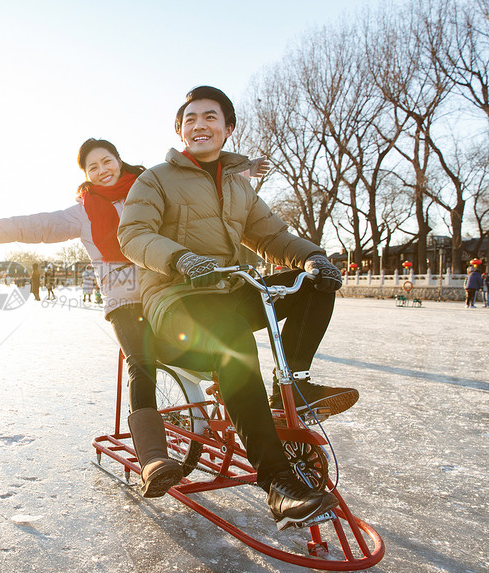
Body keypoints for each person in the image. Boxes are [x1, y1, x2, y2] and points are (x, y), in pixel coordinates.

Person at [0, 137, 268, 498]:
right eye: (93, 167)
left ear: (118, 160)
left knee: (221, 339)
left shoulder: (151, 186)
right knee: (142, 363)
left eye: (106, 161)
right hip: (125, 300)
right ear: (86, 175)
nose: (102, 170)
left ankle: (251, 411)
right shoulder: (84, 211)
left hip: (168, 288)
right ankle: (153, 459)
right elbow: (37, 225)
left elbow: (196, 189)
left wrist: (241, 170)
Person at [118, 85, 359, 529]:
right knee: (233, 335)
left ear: (227, 129)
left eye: (210, 117)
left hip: (228, 289)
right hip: (175, 298)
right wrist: (181, 259)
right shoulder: (155, 178)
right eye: (190, 119)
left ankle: (295, 383)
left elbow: (271, 236)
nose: (199, 125)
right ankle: (277, 483)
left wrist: (311, 256)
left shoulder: (237, 186)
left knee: (312, 283)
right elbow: (132, 235)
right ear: (180, 131)